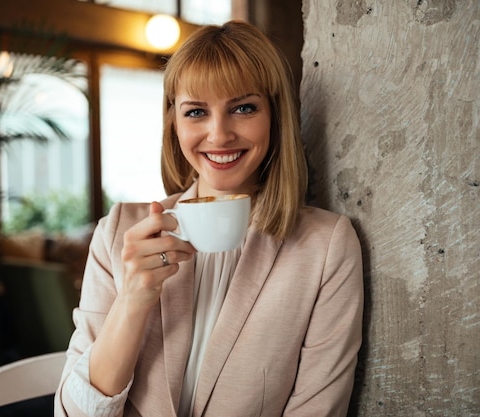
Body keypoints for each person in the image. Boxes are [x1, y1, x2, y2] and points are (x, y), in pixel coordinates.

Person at [55, 20, 363, 417]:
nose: (219, 135)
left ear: (275, 115)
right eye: (197, 111)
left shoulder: (326, 246)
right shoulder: (119, 233)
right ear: (175, 124)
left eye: (243, 108)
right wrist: (132, 298)